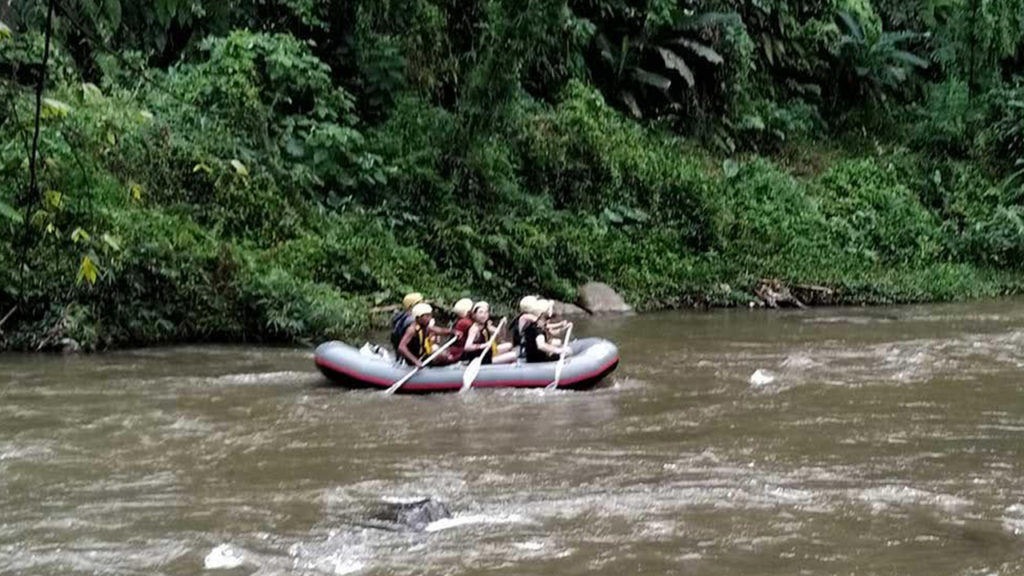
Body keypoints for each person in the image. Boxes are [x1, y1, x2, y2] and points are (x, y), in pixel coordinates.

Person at [522, 299, 571, 363]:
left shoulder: (536, 324)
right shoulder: (538, 328)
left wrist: (564, 328)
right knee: (569, 351)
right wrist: (558, 350)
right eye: (548, 309)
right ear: (542, 313)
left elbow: (552, 331)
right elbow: (541, 345)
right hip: (539, 360)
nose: (550, 311)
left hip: (534, 358)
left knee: (561, 347)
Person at [443, 298, 475, 364]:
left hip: (459, 349)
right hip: (460, 351)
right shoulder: (465, 322)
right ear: (469, 311)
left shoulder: (461, 321)